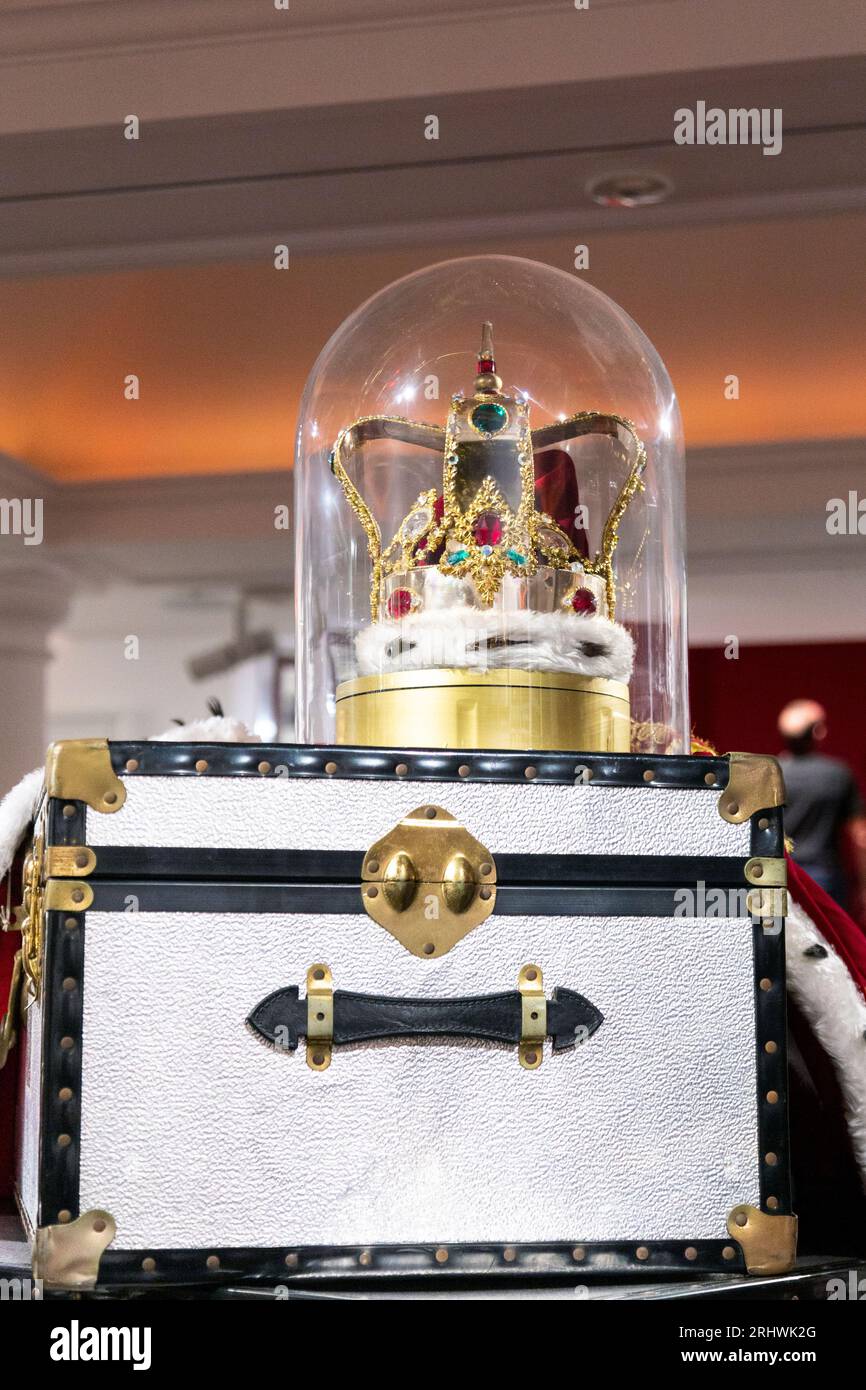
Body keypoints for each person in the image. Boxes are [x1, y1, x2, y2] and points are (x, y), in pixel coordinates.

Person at [778, 698, 866, 914]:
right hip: (824, 877)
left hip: (779, 875)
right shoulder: (837, 775)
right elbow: (859, 836)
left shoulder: (771, 774)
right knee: (828, 943)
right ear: (818, 731)